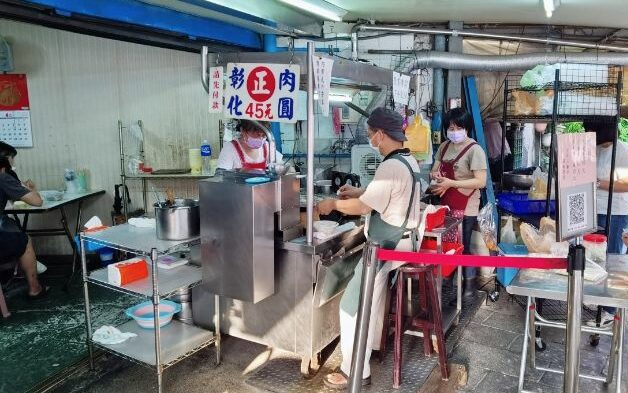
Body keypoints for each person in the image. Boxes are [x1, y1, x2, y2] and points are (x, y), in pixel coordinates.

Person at [316, 107, 421, 389]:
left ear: (381, 134)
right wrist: (360, 191)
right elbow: (386, 195)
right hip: (403, 242)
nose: (369, 139)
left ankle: (355, 372)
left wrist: (334, 204)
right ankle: (365, 354)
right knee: (370, 303)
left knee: (351, 308)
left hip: (385, 246)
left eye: (370, 134)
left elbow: (363, 208)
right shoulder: (408, 161)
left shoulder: (389, 166)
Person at [430, 107, 487, 298]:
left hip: (467, 205)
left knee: (463, 245)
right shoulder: (444, 147)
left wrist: (451, 183)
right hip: (446, 202)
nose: (454, 131)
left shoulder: (474, 150)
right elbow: (435, 168)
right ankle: (446, 282)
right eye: (451, 127)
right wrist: (435, 175)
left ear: (466, 128)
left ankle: (469, 287)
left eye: (458, 127)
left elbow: (481, 181)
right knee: (449, 244)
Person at [584, 120, 628, 327]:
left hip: (617, 212)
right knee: (596, 257)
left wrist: (599, 182)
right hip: (594, 210)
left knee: (612, 259)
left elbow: (626, 184)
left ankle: (610, 311)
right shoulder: (592, 150)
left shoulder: (624, 151)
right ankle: (599, 299)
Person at [0, 155, 48, 298]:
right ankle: (35, 288)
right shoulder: (3, 177)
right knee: (24, 240)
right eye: (11, 158)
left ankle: (13, 273)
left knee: (12, 226)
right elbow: (37, 201)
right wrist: (30, 189)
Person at [216, 120, 283, 171]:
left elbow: (281, 165)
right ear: (243, 131)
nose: (260, 138)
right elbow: (221, 175)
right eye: (257, 134)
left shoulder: (267, 146)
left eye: (263, 135)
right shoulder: (230, 148)